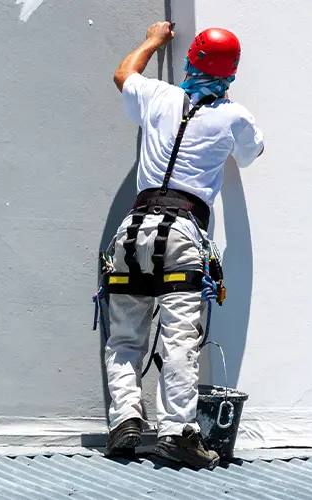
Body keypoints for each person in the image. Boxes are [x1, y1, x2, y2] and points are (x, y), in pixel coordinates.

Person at [99, 23, 264, 469]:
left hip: (133, 231)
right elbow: (251, 154)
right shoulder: (235, 116)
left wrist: (154, 39)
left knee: (125, 337)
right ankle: (177, 432)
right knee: (179, 337)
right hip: (183, 232)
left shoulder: (159, 96)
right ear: (232, 71)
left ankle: (125, 423)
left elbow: (122, 74)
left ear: (190, 59)